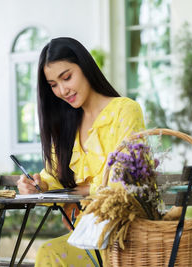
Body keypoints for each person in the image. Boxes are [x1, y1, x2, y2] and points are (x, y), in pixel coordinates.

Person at [17, 37, 145, 267]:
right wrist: (39, 185)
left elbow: (129, 180)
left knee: (51, 254)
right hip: (90, 235)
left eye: (67, 77)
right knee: (49, 252)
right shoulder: (67, 123)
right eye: (54, 85)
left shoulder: (125, 111)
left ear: (85, 67)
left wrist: (91, 188)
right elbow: (55, 176)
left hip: (127, 235)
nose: (63, 90)